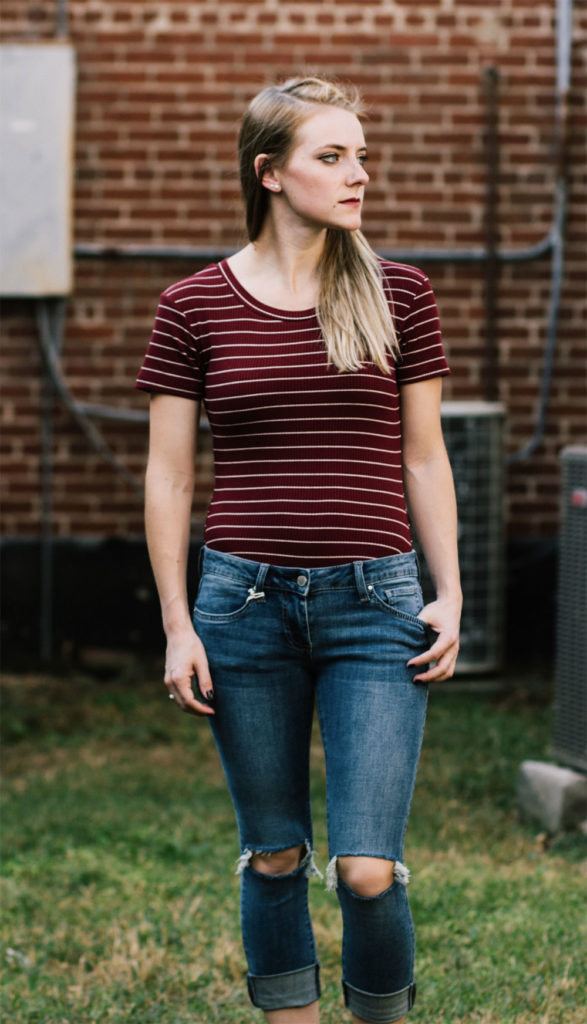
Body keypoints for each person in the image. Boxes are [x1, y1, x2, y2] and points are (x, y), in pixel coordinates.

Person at [136, 75, 461, 1024]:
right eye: (334, 156)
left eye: (361, 154)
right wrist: (175, 626)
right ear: (269, 173)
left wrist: (448, 592)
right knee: (273, 851)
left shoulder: (400, 292)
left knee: (366, 867)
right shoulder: (193, 304)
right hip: (241, 608)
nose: (359, 174)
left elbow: (424, 457)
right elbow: (168, 478)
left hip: (376, 603)